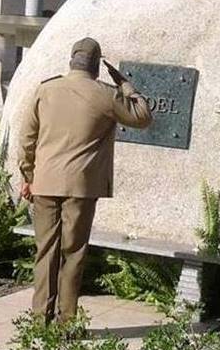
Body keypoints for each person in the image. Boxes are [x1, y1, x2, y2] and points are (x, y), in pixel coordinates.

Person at [17, 37, 153, 323]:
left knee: (45, 251)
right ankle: (66, 322)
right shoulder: (105, 94)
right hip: (80, 187)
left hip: (44, 183)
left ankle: (40, 318)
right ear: (96, 66)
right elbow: (142, 117)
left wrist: (28, 176)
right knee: (74, 253)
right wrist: (125, 85)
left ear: (71, 60)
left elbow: (27, 138)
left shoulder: (46, 89)